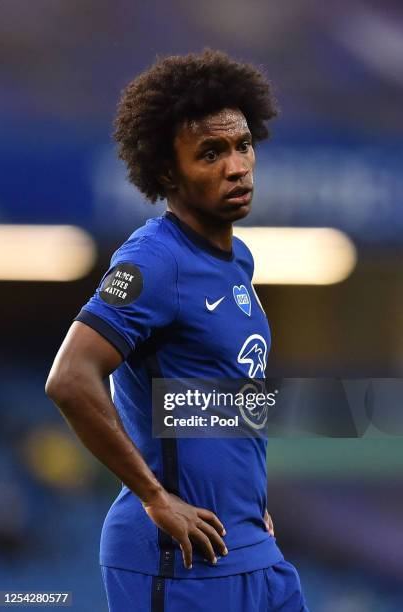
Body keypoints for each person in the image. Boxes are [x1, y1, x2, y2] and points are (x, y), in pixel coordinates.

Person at [46, 49, 308, 611]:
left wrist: (247, 500)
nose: (236, 166)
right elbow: (70, 379)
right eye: (210, 153)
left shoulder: (238, 262)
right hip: (180, 560)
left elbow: (222, 398)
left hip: (254, 551)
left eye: (242, 145)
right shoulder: (154, 261)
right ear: (167, 171)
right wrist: (154, 497)